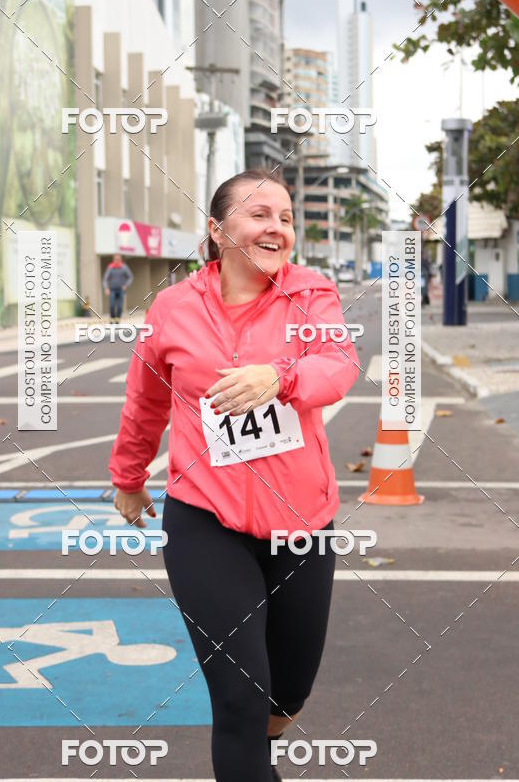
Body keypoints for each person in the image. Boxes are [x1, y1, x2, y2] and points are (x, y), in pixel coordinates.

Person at [109, 169, 359, 781]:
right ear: (218, 231)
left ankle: (261, 738)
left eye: (287, 217)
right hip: (204, 521)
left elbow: (338, 363)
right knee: (241, 701)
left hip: (302, 524)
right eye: (260, 214)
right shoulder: (172, 309)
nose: (277, 227)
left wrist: (279, 377)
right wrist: (129, 475)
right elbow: (145, 401)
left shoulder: (311, 294)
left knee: (285, 694)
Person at [103, 254, 133, 319]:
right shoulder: (110, 268)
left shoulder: (124, 268)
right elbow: (105, 279)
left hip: (120, 290)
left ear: (120, 260)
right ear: (113, 260)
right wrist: (106, 288)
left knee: (120, 307)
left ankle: (117, 320)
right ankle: (112, 319)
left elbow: (130, 277)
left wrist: (126, 285)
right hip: (112, 289)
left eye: (118, 260)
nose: (117, 261)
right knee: (112, 306)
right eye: (115, 260)